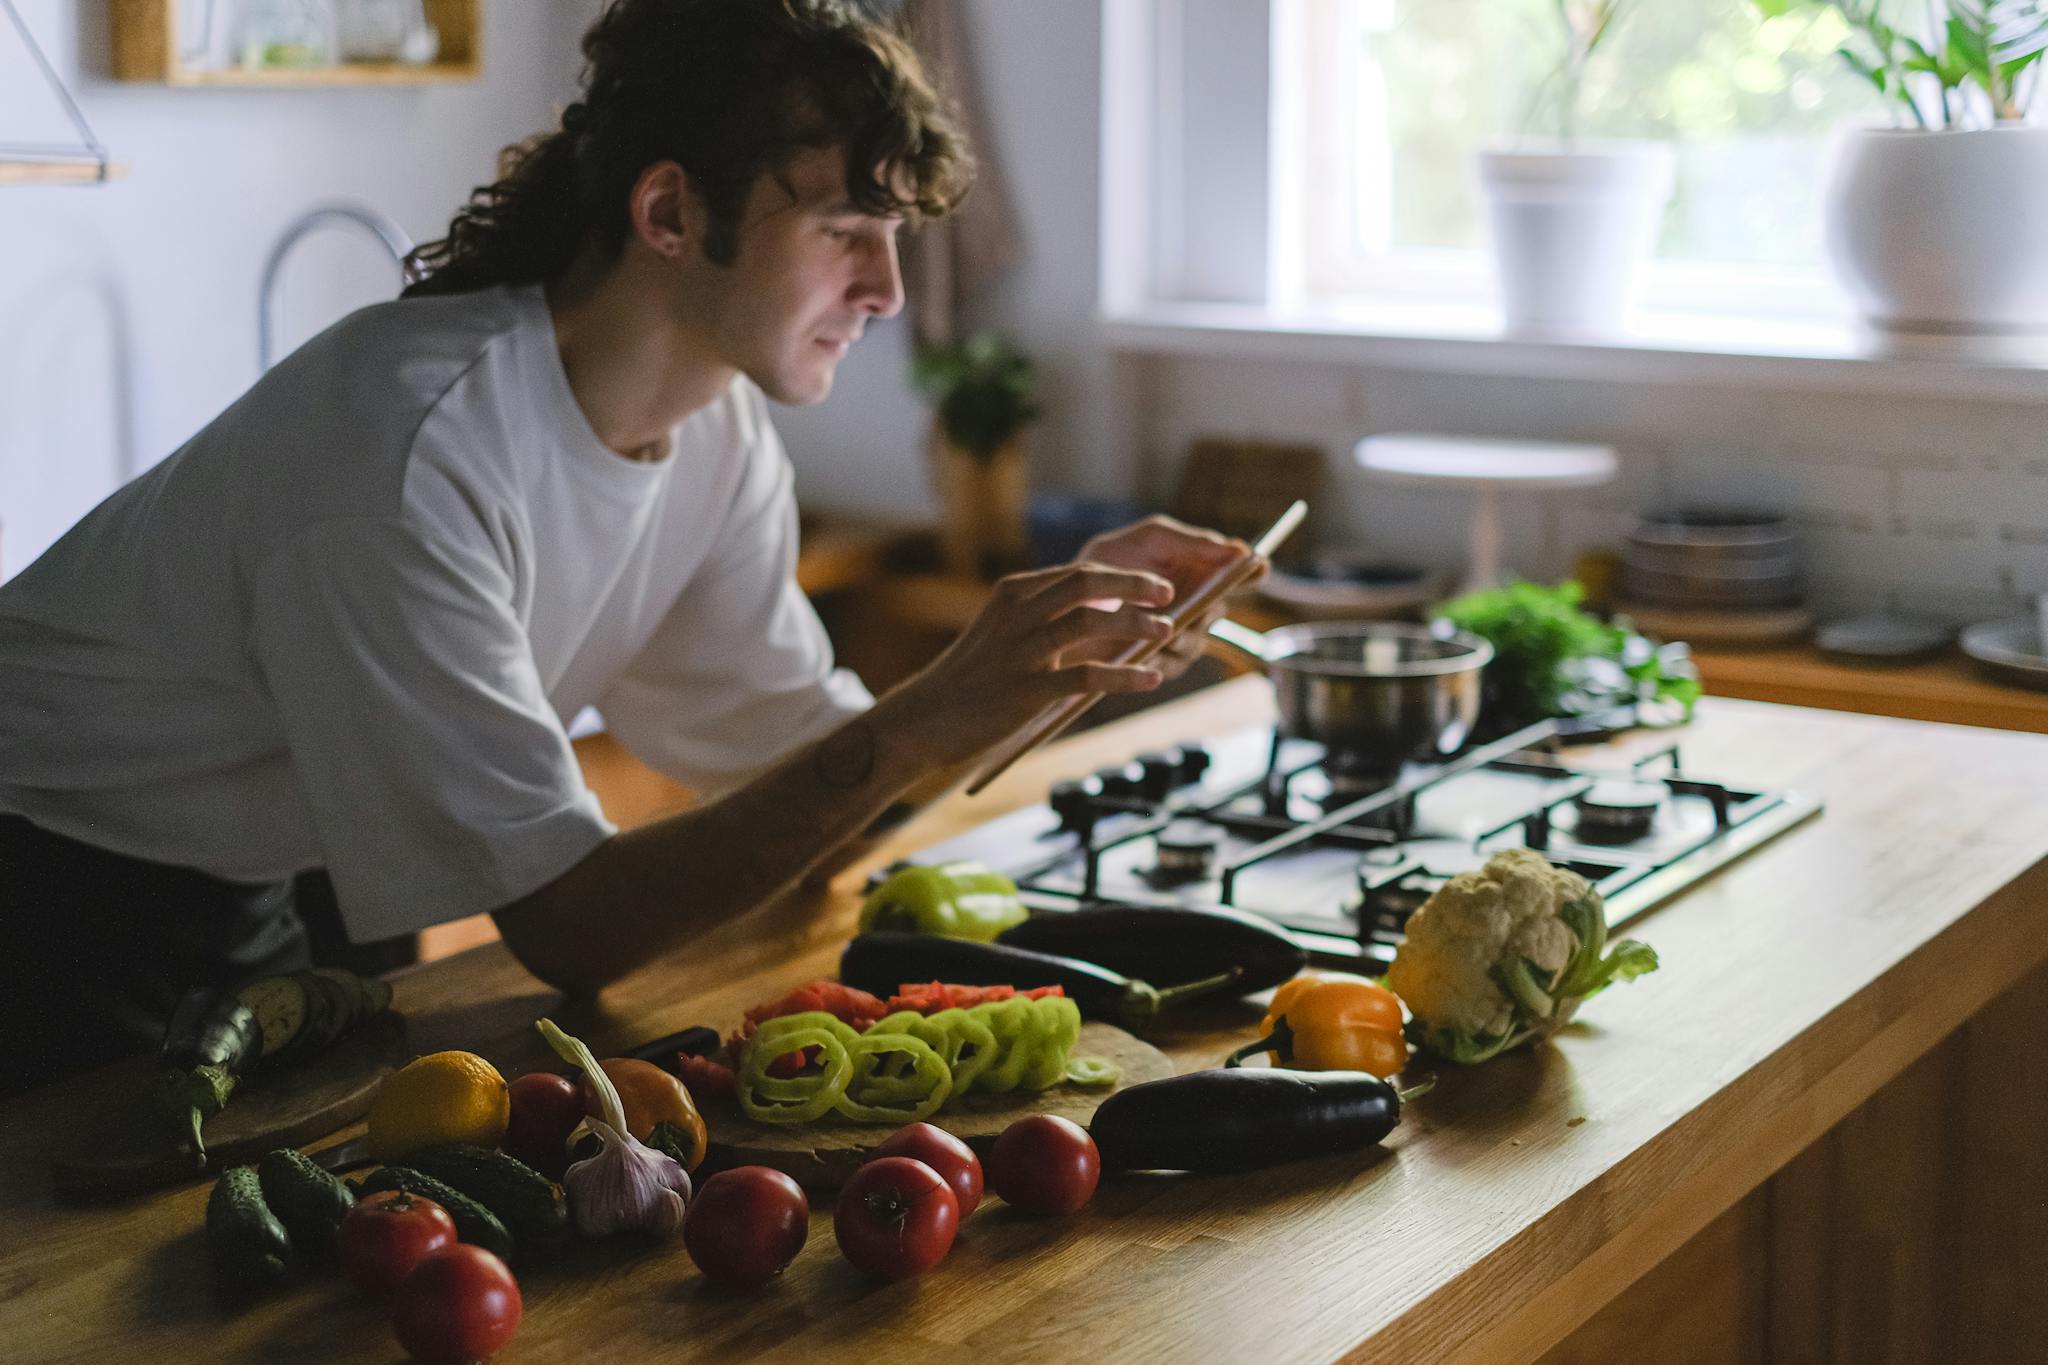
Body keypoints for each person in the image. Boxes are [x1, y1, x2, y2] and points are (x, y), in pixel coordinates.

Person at [0, 0, 1257, 1093]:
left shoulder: (716, 430)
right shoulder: (406, 458)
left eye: (893, 236)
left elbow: (798, 767)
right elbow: (568, 925)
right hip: (56, 881)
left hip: (289, 855)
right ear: (669, 210)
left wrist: (1046, 669)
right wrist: (933, 712)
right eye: (841, 229)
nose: (883, 289)